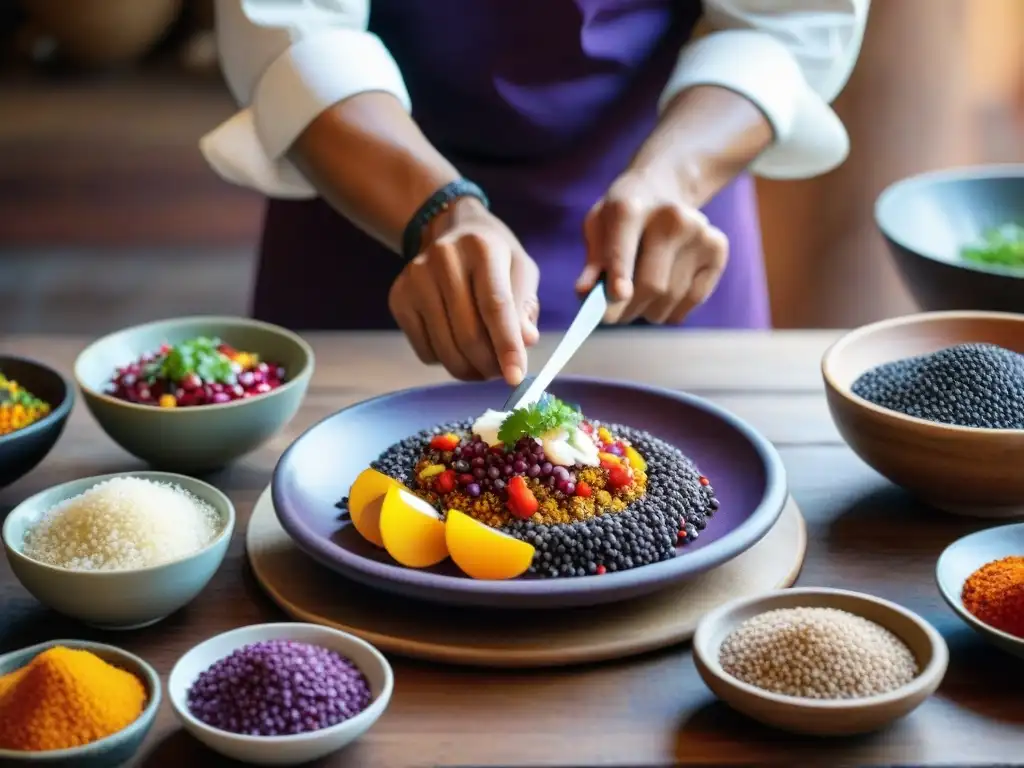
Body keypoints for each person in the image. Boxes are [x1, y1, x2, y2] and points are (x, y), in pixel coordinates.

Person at [202, 0, 869, 386]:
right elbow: (294, 29)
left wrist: (673, 174)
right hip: (366, 186)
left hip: (667, 196)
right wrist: (436, 210)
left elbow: (785, 22)